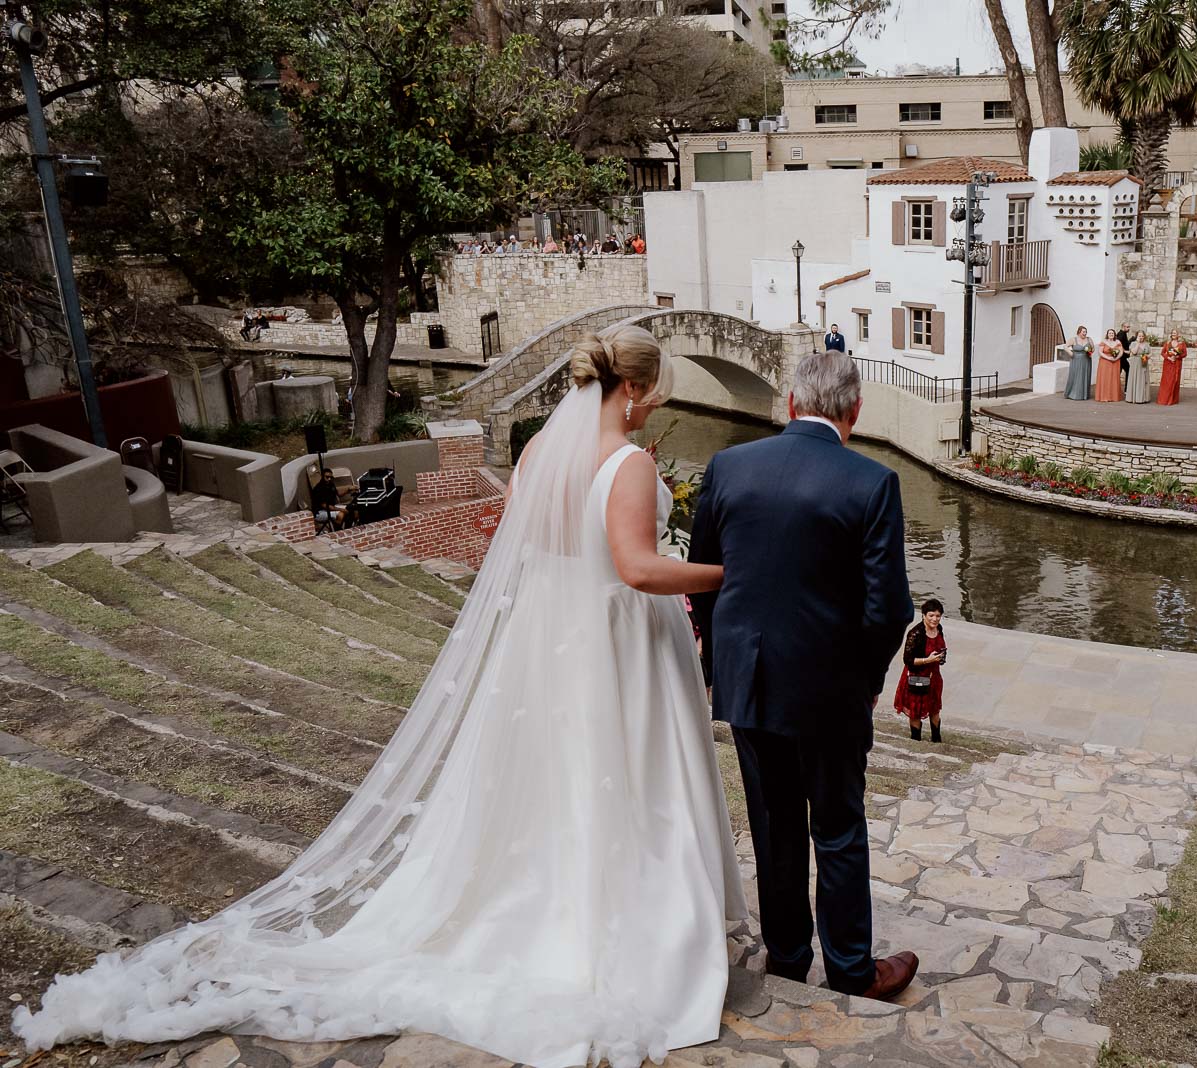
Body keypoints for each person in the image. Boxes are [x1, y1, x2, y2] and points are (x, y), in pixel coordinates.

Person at [13, 326, 747, 1067]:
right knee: (625, 774)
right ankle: (620, 919)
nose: (654, 406)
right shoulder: (621, 463)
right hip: (617, 644)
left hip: (557, 639)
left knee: (565, 775)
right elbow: (638, 570)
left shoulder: (537, 455)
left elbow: (538, 547)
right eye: (655, 393)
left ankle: (561, 893)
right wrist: (731, 574)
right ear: (630, 388)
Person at [688, 350, 920, 1003]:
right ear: (854, 411)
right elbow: (889, 609)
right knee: (838, 826)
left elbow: (706, 577)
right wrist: (869, 680)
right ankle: (850, 969)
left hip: (750, 682)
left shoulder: (730, 466)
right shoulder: (872, 482)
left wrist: (720, 662)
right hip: (830, 692)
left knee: (775, 822)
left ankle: (788, 958)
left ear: (791, 403)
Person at [893, 599, 948, 742]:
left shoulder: (939, 629)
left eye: (937, 616)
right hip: (917, 678)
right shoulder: (915, 634)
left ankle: (936, 739)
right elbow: (908, 660)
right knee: (916, 712)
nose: (935, 619)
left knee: (934, 709)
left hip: (934, 676)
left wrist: (940, 657)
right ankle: (915, 740)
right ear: (923, 615)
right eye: (931, 615)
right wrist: (927, 660)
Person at [1063, 326, 1093, 401]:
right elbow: (1065, 346)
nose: (1085, 333)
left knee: (1084, 376)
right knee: (1076, 376)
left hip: (1086, 360)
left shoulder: (1089, 339)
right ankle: (1073, 394)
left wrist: (1089, 351)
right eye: (1083, 332)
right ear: (1079, 332)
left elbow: (1093, 348)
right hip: (1075, 359)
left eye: (1086, 332)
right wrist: (1070, 352)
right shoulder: (1074, 339)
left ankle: (1084, 394)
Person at [1156, 330, 1187, 405]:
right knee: (1167, 381)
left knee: (1175, 381)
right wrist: (1169, 358)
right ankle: (1164, 399)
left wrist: (1177, 356)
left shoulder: (1182, 344)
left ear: (1178, 335)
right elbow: (1162, 353)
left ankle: (1173, 400)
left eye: (1175, 333)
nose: (1173, 334)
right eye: (1172, 333)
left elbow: (1185, 354)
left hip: (1177, 364)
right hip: (1168, 364)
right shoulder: (1167, 343)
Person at [1094, 329, 1125, 402]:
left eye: (1112, 333)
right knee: (1105, 378)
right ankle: (1104, 396)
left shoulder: (1118, 342)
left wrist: (1116, 358)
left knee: (1114, 378)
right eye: (1109, 333)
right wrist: (1108, 358)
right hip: (1104, 362)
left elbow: (1121, 352)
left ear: (1114, 334)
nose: (1111, 334)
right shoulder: (1104, 342)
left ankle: (1113, 397)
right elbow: (1100, 352)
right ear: (1107, 334)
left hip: (1115, 362)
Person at [1124, 330, 1152, 403]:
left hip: (1144, 362)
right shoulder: (1133, 343)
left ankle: (1143, 398)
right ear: (1137, 336)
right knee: (1135, 378)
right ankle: (1133, 397)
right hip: (1135, 363)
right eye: (1139, 336)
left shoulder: (1147, 344)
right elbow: (1134, 352)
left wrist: (1147, 356)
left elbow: (1150, 353)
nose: (1141, 337)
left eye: (1142, 336)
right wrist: (1138, 343)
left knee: (1143, 379)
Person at [1115, 322, 1132, 391]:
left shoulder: (1123, 334)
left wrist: (1130, 340)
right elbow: (1118, 344)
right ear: (1123, 327)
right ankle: (1126, 389)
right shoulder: (1121, 334)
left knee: (1120, 372)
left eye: (1129, 327)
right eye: (1127, 327)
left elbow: (1124, 343)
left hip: (1122, 357)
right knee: (1127, 370)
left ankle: (1124, 389)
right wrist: (1124, 351)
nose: (1129, 328)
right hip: (1121, 357)